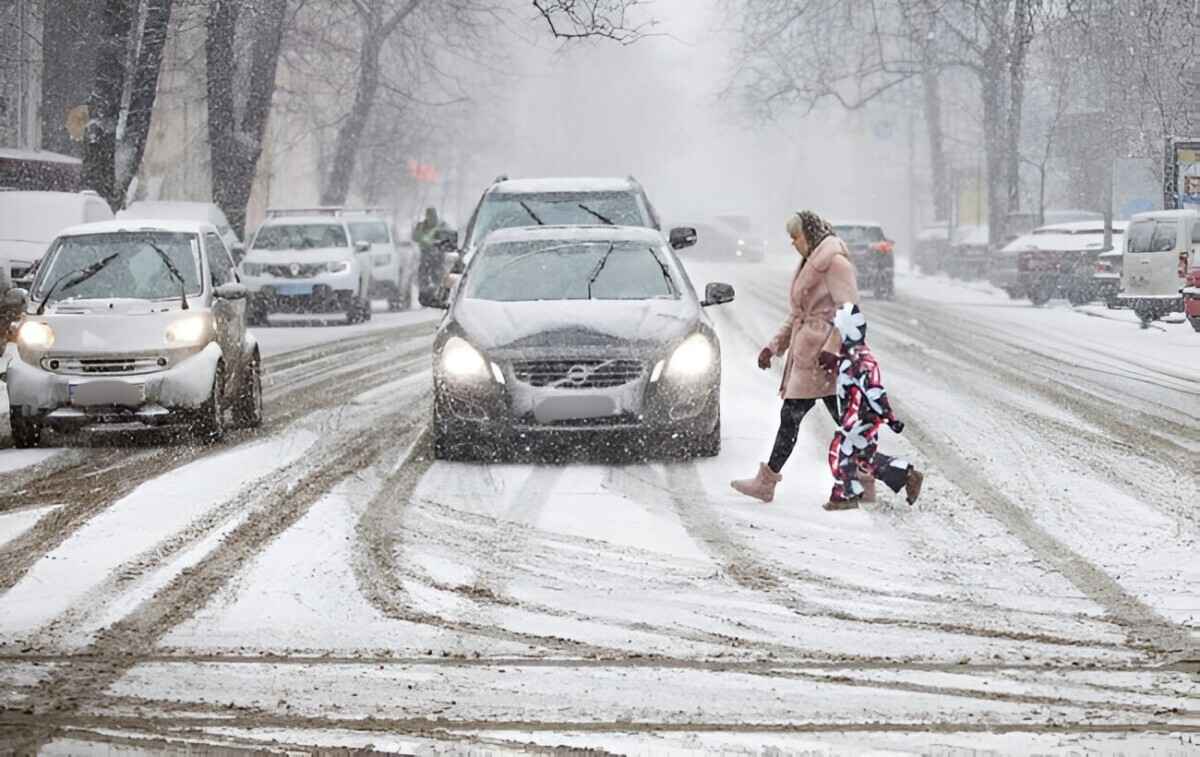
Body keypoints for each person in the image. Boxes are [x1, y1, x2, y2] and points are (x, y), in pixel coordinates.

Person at [731, 210, 865, 504]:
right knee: (840, 422)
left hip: (822, 358)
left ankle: (766, 483)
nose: (793, 243)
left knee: (794, 419)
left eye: (796, 236)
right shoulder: (812, 261)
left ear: (810, 233)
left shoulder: (834, 262)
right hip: (809, 355)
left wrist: (833, 348)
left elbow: (850, 310)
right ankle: (893, 474)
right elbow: (798, 315)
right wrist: (774, 346)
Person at [821, 302, 924, 510]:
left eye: (840, 328)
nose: (836, 333)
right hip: (855, 416)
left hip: (862, 417)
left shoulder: (861, 359)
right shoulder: (849, 355)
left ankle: (847, 495)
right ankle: (905, 474)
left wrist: (890, 417)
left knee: (841, 451)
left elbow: (874, 391)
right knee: (862, 457)